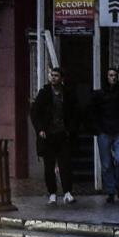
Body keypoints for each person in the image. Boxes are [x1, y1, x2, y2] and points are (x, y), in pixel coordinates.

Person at [30, 67, 78, 205]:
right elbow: (34, 112)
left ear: (62, 78)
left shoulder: (67, 94)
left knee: (65, 164)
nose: (53, 78)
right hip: (48, 135)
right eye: (52, 75)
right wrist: (40, 129)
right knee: (49, 166)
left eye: (56, 76)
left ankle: (67, 192)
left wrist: (70, 129)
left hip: (63, 134)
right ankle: (52, 193)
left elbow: (75, 112)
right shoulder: (44, 93)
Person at [90, 68, 119, 203]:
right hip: (104, 131)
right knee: (106, 164)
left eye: (115, 75)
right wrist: (98, 129)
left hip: (118, 131)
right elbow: (93, 112)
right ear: (106, 77)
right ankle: (111, 191)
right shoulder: (99, 95)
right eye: (110, 75)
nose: (113, 78)